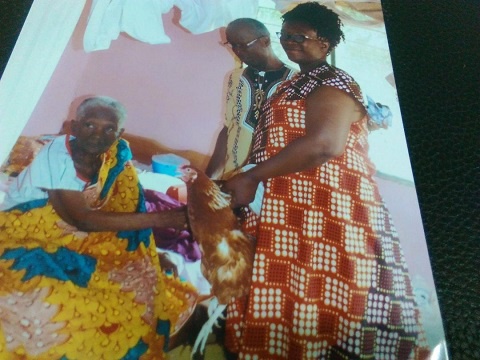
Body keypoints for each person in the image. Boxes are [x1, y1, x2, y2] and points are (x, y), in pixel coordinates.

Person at [223, 3, 428, 359]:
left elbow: (323, 145)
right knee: (292, 293)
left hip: (333, 206)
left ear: (328, 41)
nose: (290, 43)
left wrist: (253, 176)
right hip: (293, 204)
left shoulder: (335, 82)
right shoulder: (294, 84)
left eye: (300, 36)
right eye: (286, 35)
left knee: (334, 298)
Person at [0, 96, 196, 359]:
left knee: (137, 293)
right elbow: (81, 219)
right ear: (73, 126)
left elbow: (127, 211)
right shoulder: (56, 153)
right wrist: (166, 219)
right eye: (90, 125)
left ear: (119, 134)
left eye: (108, 129)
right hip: (25, 231)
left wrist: (149, 254)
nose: (97, 135)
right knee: (45, 298)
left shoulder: (117, 161)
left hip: (82, 237)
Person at [205, 18, 296, 180]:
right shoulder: (234, 77)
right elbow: (228, 127)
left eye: (243, 45)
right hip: (231, 175)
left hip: (271, 180)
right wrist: (208, 179)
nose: (237, 51)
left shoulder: (296, 81)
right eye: (232, 45)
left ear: (266, 41)